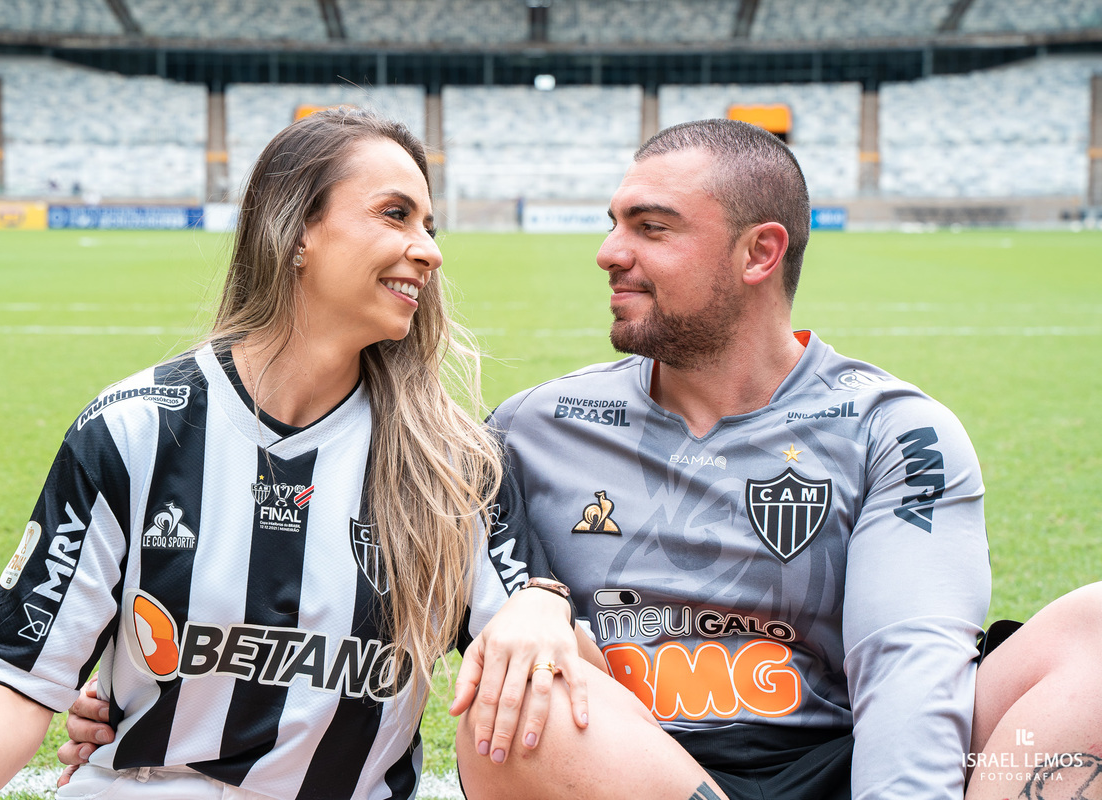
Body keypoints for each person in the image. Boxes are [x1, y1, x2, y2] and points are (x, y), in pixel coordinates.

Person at [0, 107, 584, 800]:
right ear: (295, 231)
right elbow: (20, 681)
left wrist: (542, 605)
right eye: (395, 215)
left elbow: (544, 669)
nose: (430, 251)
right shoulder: (134, 429)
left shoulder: (452, 465)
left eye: (429, 227)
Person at [449, 118, 1102, 800]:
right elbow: (502, 628)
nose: (609, 252)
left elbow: (907, 668)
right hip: (632, 767)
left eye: (652, 228)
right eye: (614, 225)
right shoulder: (533, 428)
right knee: (519, 699)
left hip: (842, 761)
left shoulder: (895, 430)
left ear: (759, 253)